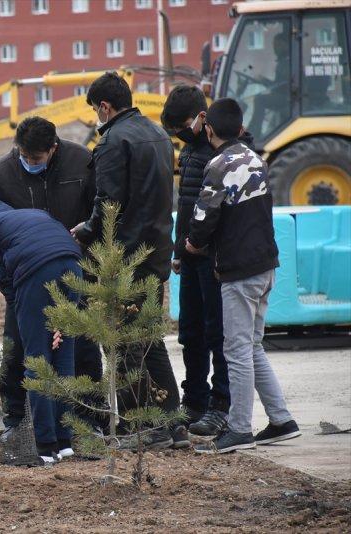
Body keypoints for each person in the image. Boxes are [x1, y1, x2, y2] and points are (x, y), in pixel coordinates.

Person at [72, 72, 186, 450]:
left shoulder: (112, 142)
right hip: (155, 252)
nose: (95, 118)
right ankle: (172, 422)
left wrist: (86, 231)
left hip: (123, 258)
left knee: (124, 345)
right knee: (150, 338)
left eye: (95, 110)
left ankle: (143, 428)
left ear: (105, 106)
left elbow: (108, 204)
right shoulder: (157, 134)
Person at [190, 98, 300, 454]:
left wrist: (192, 244)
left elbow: (205, 218)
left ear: (209, 130)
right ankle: (281, 420)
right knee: (252, 347)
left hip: (238, 271)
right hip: (265, 265)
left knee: (236, 350)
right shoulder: (256, 159)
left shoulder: (218, 166)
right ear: (240, 130)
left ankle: (239, 429)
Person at [0, 116, 102, 433]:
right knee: (17, 345)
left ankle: (89, 419)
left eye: (36, 158)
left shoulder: (81, 162)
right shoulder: (5, 171)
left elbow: (100, 211)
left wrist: (92, 247)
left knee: (82, 347)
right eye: (24, 156)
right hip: (27, 273)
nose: (29, 163)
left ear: (53, 149)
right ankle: (16, 419)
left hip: (76, 264)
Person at [0, 200, 82, 464]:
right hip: (74, 264)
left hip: (37, 271)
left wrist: (19, 301)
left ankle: (44, 447)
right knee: (64, 356)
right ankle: (65, 443)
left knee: (37, 359)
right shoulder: (37, 214)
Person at [161, 86, 232, 436]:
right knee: (190, 332)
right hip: (188, 256)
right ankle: (195, 401)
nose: (180, 133)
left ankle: (221, 406)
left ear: (203, 118)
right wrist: (179, 250)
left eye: (184, 125)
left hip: (212, 259)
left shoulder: (221, 153)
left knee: (216, 333)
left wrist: (199, 247)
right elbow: (186, 207)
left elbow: (218, 212)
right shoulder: (189, 151)